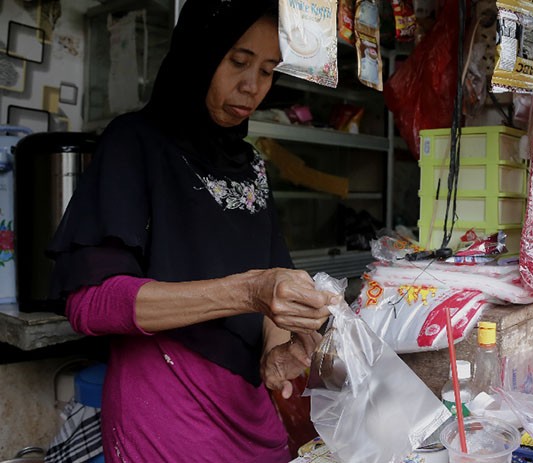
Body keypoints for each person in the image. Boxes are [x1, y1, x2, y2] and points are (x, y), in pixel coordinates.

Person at [46, 1, 332, 461]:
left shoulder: (251, 166)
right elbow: (90, 303)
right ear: (200, 55)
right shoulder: (135, 143)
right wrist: (247, 292)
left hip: (251, 411)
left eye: (267, 71)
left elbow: (271, 286)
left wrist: (278, 348)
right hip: (166, 413)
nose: (252, 86)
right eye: (238, 62)